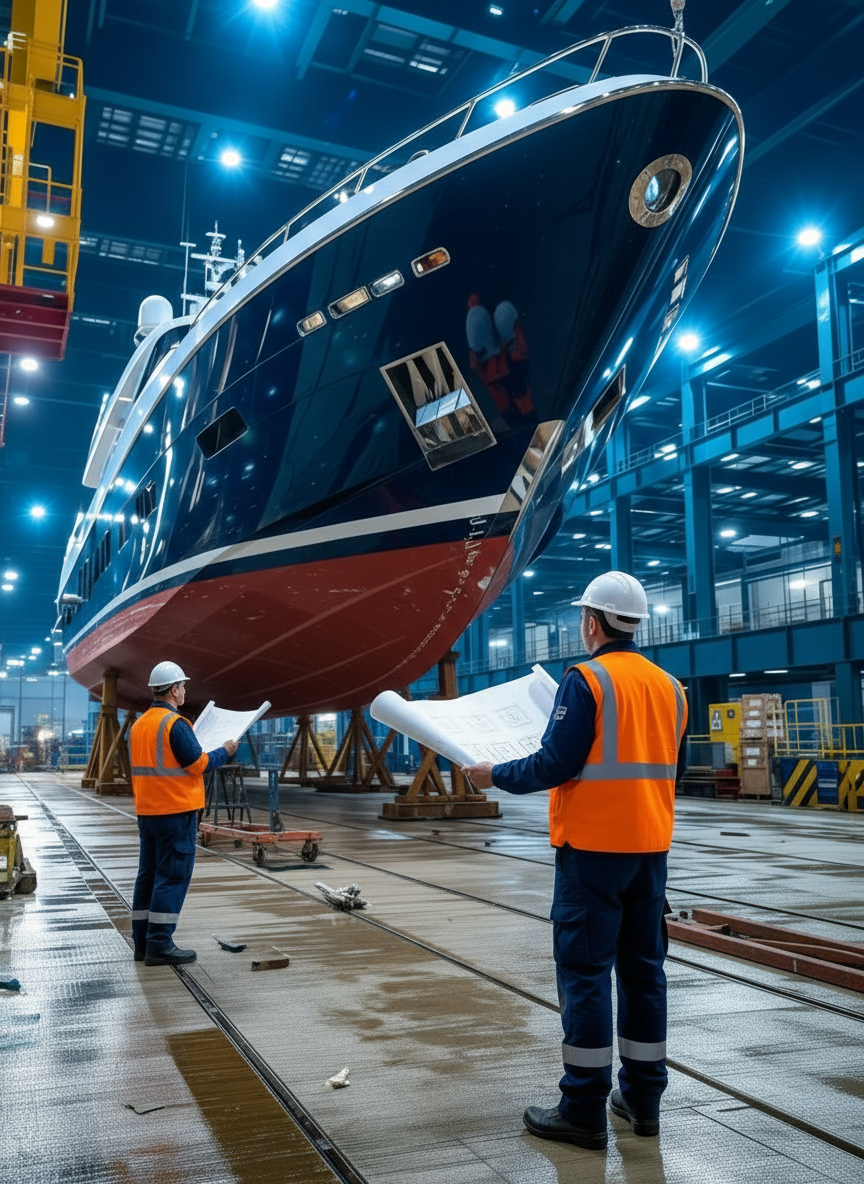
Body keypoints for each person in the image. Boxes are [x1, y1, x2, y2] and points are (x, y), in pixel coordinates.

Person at [462, 571, 687, 1151]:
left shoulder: (586, 680)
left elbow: (554, 765)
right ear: (634, 623)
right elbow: (668, 771)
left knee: (586, 977)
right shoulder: (671, 687)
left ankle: (583, 1108)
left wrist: (493, 775)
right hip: (650, 853)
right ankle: (643, 1099)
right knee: (644, 975)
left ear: (591, 621)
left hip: (592, 854)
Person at [130, 661, 238, 966]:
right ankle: (160, 944)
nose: (185, 690)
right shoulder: (175, 724)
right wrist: (225, 751)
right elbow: (197, 764)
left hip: (147, 812)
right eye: (183, 686)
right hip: (176, 812)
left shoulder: (140, 725)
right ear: (174, 689)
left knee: (148, 876)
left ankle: (142, 944)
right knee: (172, 876)